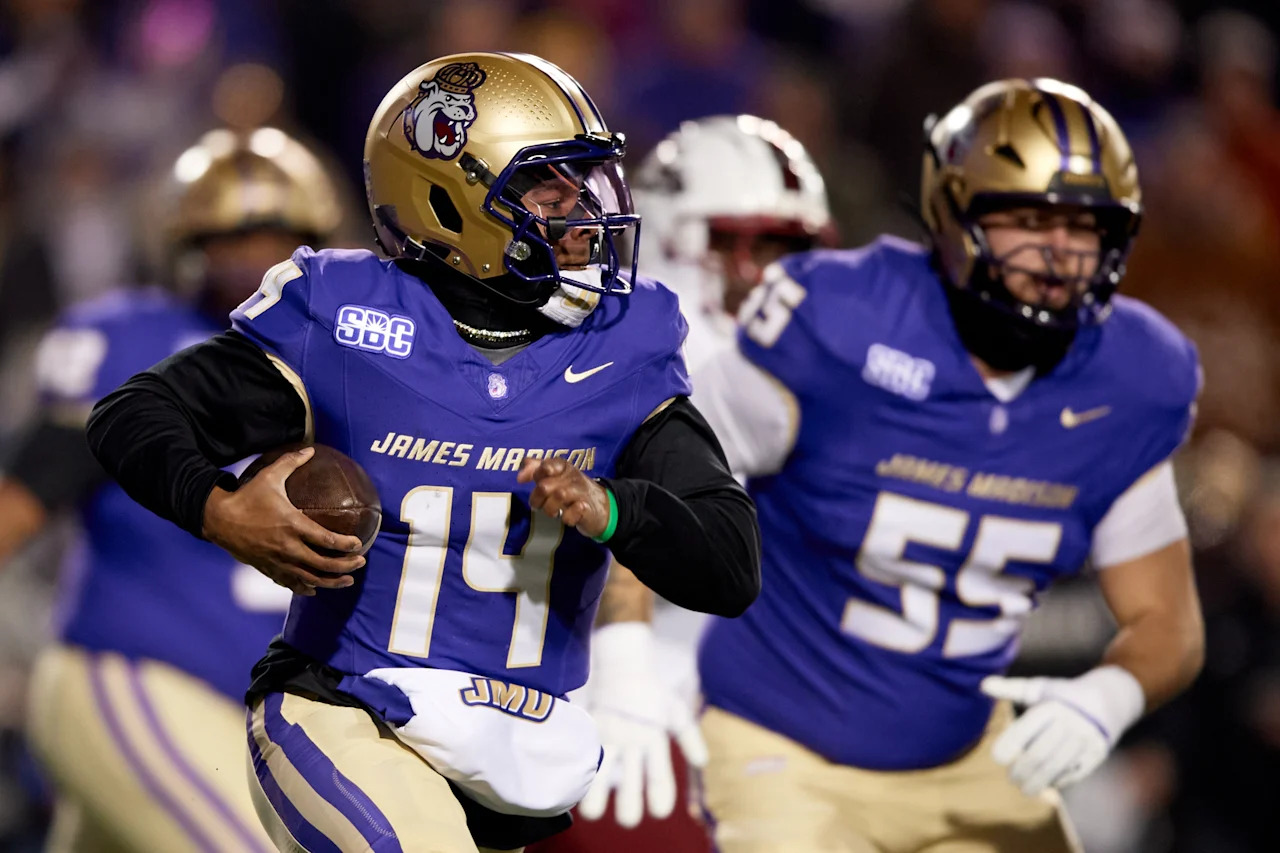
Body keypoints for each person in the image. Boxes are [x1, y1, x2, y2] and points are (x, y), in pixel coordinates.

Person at [85, 53, 761, 853]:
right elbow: (136, 412)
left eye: (588, 180)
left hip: (508, 745)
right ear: (450, 197)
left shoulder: (626, 341)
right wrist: (217, 506)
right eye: (549, 185)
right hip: (345, 708)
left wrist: (614, 508)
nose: (583, 209)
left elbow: (729, 563)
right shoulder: (347, 316)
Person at [690, 78, 1205, 852]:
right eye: (1030, 220)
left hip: (967, 753)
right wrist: (633, 656)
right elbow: (666, 477)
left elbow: (1166, 621)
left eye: (1086, 228)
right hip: (781, 746)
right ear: (956, 219)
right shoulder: (838, 319)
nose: (1060, 254)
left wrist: (1109, 694)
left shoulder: (1130, 380)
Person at [0, 127, 342, 853]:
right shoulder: (132, 339)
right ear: (186, 244)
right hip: (134, 670)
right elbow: (21, 504)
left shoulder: (357, 358)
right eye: (232, 236)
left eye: (277, 233)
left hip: (244, 715)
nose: (255, 256)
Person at [534, 114, 833, 853]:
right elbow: (601, 495)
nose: (768, 274)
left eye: (787, 248)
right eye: (746, 244)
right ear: (679, 234)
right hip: (622, 675)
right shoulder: (632, 345)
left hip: (771, 683)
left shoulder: (824, 360)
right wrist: (627, 649)